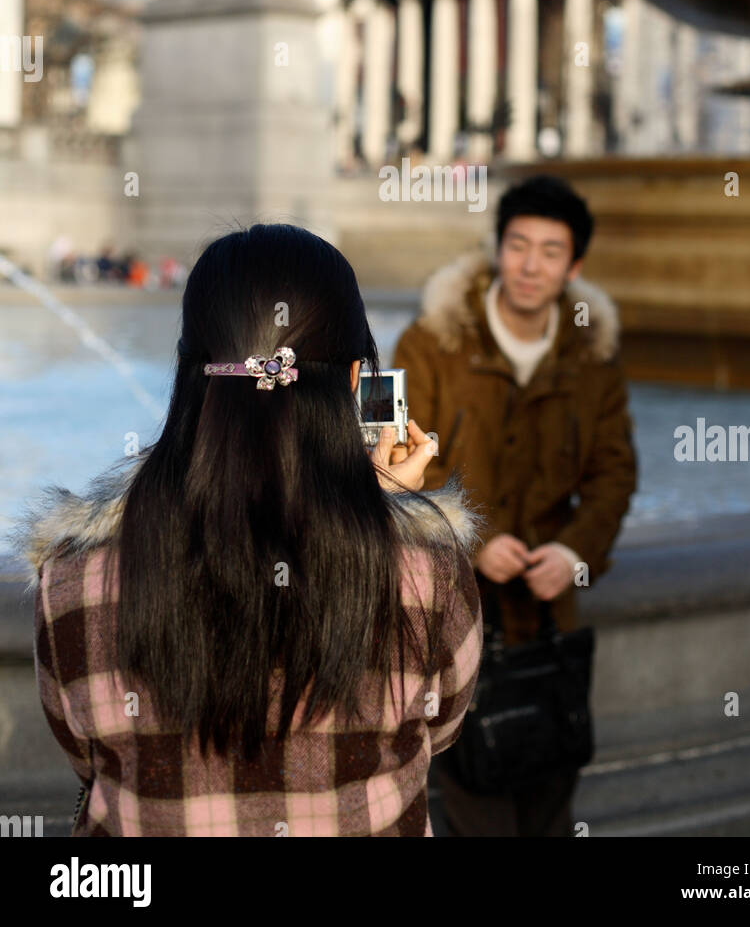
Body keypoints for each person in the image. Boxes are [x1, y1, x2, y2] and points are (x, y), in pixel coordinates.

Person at [17, 223, 483, 837]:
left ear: (187, 374)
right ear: (351, 380)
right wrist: (384, 507)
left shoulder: (73, 576)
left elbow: (84, 751)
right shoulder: (431, 573)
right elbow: (439, 729)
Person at [392, 174, 638, 837]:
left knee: (552, 801)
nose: (530, 266)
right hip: (454, 604)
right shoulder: (429, 340)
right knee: (475, 800)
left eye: (550, 252)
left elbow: (615, 474)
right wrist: (475, 538)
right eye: (518, 245)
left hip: (550, 606)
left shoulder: (595, 356)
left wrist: (573, 552)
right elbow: (396, 457)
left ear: (574, 266)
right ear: (497, 248)